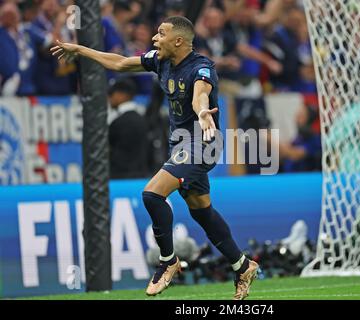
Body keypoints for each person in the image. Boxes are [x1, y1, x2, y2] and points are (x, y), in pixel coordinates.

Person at [51, 16, 259, 300]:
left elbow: (200, 95)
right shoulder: (160, 60)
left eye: (160, 33)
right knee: (202, 212)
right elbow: (122, 63)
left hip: (201, 143)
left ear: (178, 41)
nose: (154, 38)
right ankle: (242, 265)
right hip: (181, 146)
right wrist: (82, 50)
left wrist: (201, 111)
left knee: (152, 194)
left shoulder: (201, 68)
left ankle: (168, 261)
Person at [107, 78, 148, 179]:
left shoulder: (117, 121)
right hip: (141, 177)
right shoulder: (142, 119)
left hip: (119, 178)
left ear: (122, 95)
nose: (109, 98)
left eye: (111, 94)